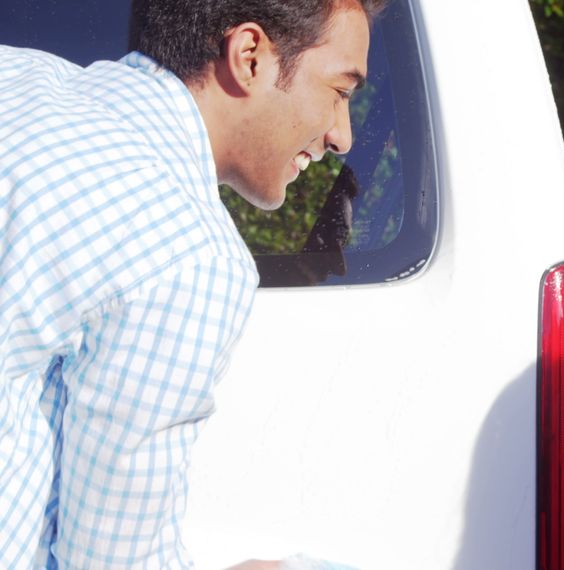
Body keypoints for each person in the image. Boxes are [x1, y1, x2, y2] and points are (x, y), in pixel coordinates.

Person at [0, 0, 383, 566]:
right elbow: (111, 559)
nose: (342, 135)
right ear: (249, 56)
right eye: (340, 91)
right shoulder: (187, 251)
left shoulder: (18, 74)